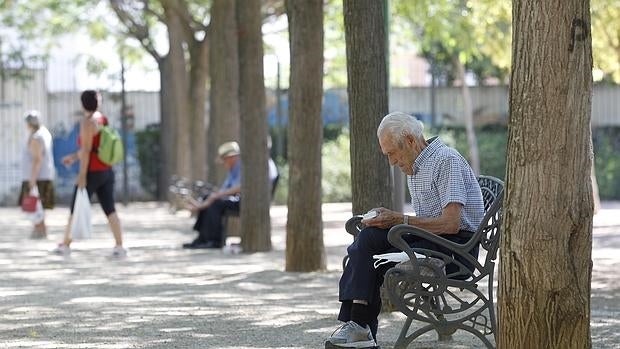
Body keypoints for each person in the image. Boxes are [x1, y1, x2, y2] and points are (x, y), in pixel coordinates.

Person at [324, 112, 485, 349]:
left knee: (375, 259)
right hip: (434, 241)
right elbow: (424, 223)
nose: (391, 161)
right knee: (368, 238)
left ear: (410, 140)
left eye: (392, 153)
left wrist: (400, 219)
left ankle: (360, 328)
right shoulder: (416, 167)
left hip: (457, 250)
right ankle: (359, 328)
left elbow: (451, 223)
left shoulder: (446, 160)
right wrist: (389, 221)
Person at [53, 90, 126, 258]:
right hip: (107, 170)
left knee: (75, 206)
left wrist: (82, 175)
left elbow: (86, 151)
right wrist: (72, 157)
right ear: (97, 103)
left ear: (82, 103)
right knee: (110, 208)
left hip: (92, 172)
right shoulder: (102, 119)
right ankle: (119, 246)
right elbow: (94, 148)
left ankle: (65, 244)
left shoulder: (87, 122)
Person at [183, 141, 278, 249]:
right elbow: (225, 189)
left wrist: (216, 196)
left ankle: (213, 240)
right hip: (239, 199)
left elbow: (242, 187)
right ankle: (203, 238)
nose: (223, 163)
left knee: (216, 203)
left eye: (224, 160)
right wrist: (206, 200)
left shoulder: (255, 164)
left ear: (231, 158)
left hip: (248, 201)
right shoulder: (236, 168)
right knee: (209, 197)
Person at [19, 111, 56, 239]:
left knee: (35, 204)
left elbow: (37, 159)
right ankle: (40, 230)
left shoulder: (36, 137)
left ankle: (40, 230)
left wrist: (32, 180)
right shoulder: (44, 133)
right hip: (44, 174)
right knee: (40, 205)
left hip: (37, 176)